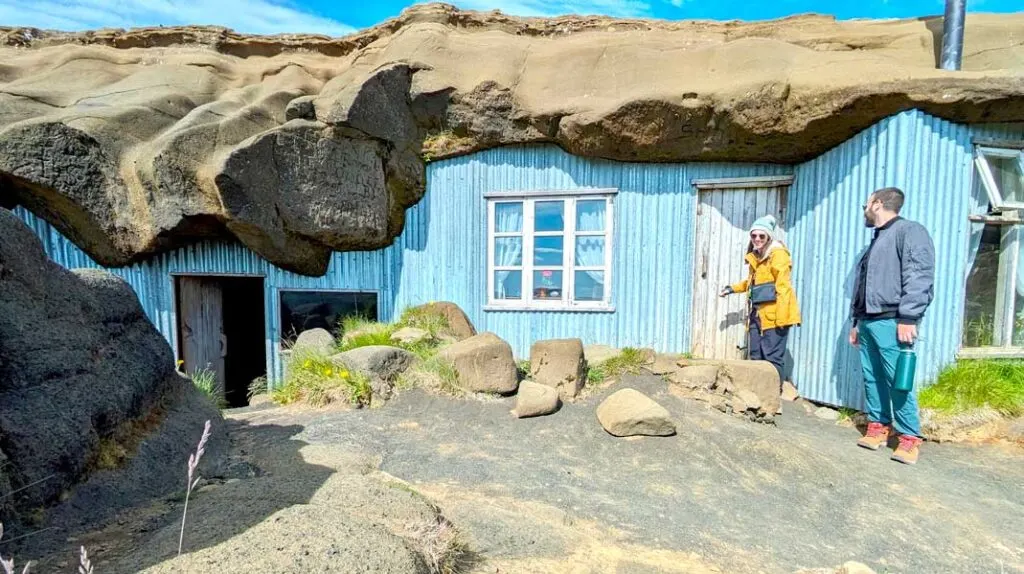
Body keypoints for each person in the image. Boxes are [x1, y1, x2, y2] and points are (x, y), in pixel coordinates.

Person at [849, 187, 935, 465]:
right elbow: (862, 286)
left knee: (898, 380)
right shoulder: (876, 241)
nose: (864, 208)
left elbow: (920, 274)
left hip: (892, 319)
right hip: (867, 320)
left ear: (877, 204)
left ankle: (909, 437)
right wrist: (855, 322)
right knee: (871, 376)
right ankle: (878, 426)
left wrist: (909, 317)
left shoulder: (909, 231)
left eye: (866, 202)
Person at [719, 214, 801, 384]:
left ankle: (772, 396)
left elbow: (783, 286)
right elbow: (753, 283)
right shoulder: (757, 256)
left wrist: (782, 318)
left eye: (761, 236)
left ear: (769, 236)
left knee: (772, 357)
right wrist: (732, 289)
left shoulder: (778, 255)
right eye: (753, 235)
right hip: (758, 314)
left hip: (776, 314)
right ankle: (756, 392)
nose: (757, 239)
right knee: (756, 354)